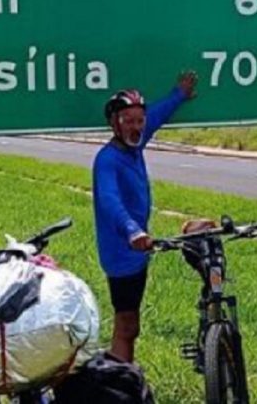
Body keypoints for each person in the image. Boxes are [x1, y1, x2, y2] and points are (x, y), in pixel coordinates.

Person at [92, 71, 198, 362]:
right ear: (115, 123)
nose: (137, 127)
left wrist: (180, 94)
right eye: (129, 121)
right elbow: (110, 201)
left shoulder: (134, 145)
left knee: (129, 323)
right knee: (127, 324)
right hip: (122, 252)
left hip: (137, 252)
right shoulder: (107, 160)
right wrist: (132, 231)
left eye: (139, 121)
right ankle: (121, 381)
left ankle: (120, 375)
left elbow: (158, 116)